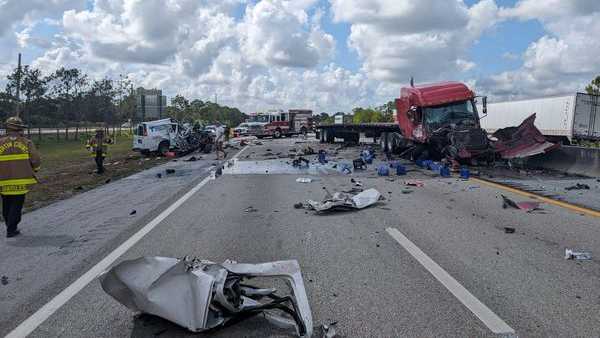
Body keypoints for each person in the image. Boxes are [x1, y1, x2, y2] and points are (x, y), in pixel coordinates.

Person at [0, 116, 41, 238]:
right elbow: (36, 160)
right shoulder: (26, 142)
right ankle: (11, 229)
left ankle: (9, 224)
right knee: (16, 205)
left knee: (6, 204)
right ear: (19, 129)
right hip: (21, 180)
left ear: (7, 128)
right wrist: (35, 169)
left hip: (3, 180)